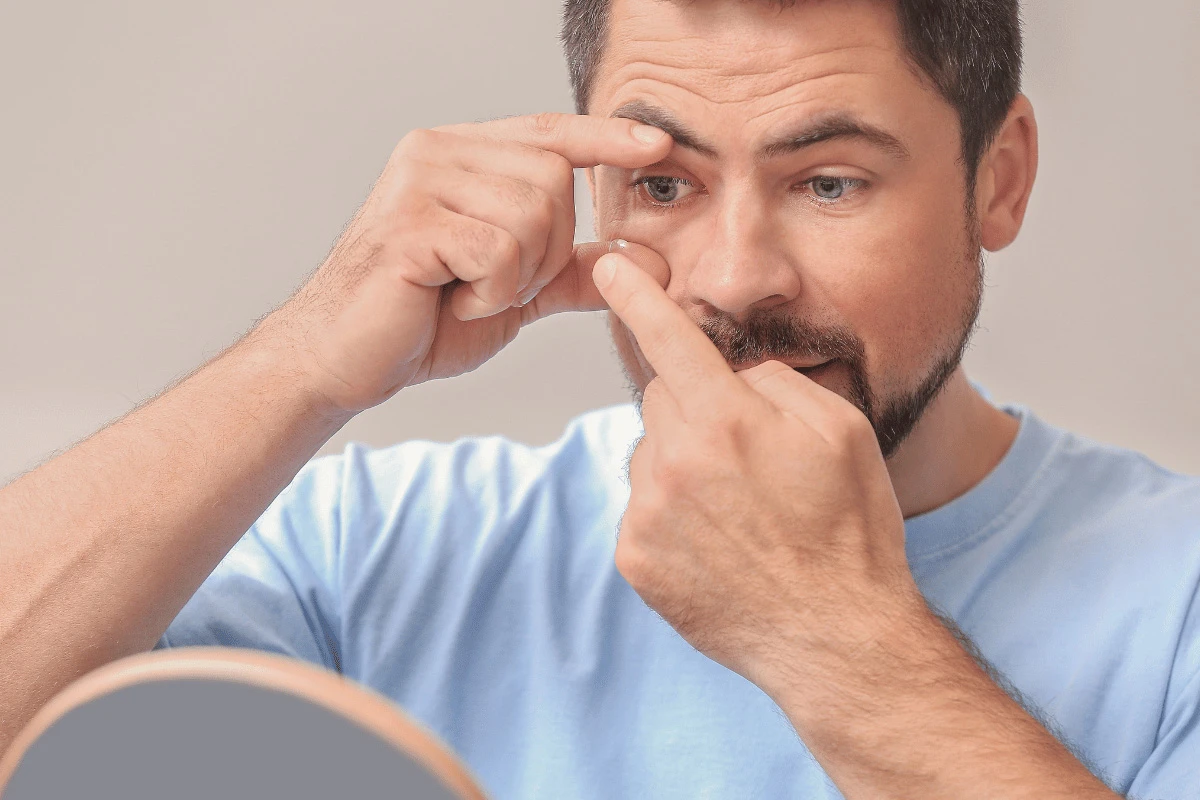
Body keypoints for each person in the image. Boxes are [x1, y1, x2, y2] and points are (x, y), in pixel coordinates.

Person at [1, 0, 1197, 797]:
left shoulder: (1178, 594)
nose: (734, 277)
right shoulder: (384, 548)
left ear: (1001, 177)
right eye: (664, 182)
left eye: (830, 182)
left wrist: (825, 629)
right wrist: (306, 355)